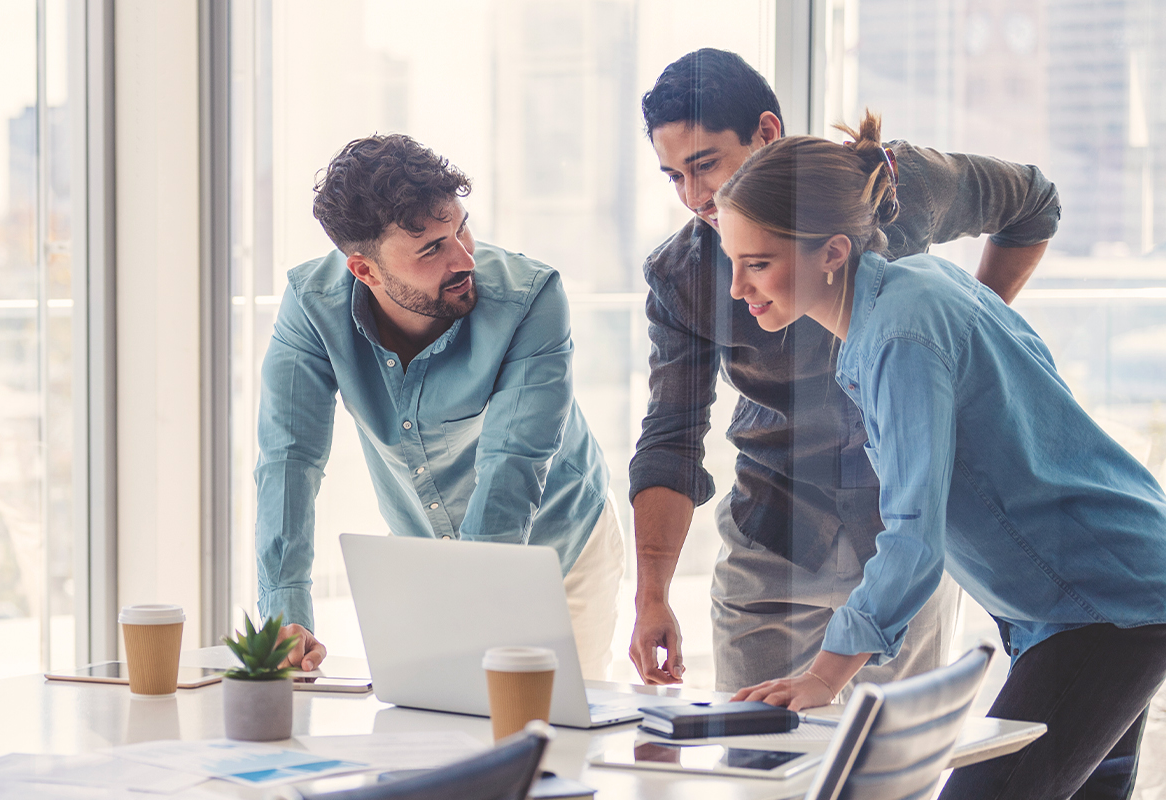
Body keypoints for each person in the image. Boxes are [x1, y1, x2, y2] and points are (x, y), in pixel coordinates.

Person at [719, 113, 1166, 800]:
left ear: (832, 252)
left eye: (759, 263)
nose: (738, 288)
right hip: (1092, 593)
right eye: (734, 261)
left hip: (1104, 604)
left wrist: (825, 674)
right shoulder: (919, 288)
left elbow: (912, 536)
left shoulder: (900, 333)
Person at [628, 48, 1062, 693]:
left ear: (767, 133)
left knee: (886, 776)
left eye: (705, 166)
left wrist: (969, 326)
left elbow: (1032, 202)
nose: (695, 198)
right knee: (756, 772)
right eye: (673, 177)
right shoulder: (683, 273)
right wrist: (652, 595)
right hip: (773, 532)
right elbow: (671, 436)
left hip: (902, 534)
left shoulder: (890, 188)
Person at [255, 134, 624, 679]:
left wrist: (469, 612)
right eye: (431, 248)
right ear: (365, 271)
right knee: (432, 738)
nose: (464, 257)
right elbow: (289, 459)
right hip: (426, 554)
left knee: (551, 736)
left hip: (558, 547)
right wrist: (286, 616)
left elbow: (512, 463)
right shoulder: (313, 307)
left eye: (460, 228)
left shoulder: (531, 298)